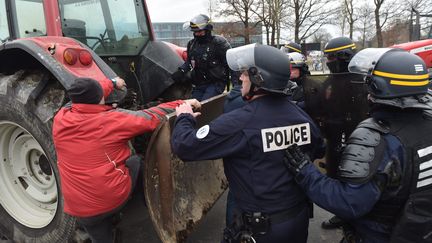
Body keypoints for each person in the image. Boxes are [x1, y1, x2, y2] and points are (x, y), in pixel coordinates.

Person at [171, 44, 324, 243]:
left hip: (261, 230)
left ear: (258, 78)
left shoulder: (239, 122)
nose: (241, 78)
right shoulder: (302, 117)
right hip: (296, 221)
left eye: (244, 73)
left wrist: (184, 117)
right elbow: (319, 149)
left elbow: (185, 146)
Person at [284, 48, 432, 243]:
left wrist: (305, 173)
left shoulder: (376, 136)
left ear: (376, 87)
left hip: (379, 234)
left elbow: (348, 202)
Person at [52, 77, 200, 243]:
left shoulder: (60, 117)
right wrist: (183, 104)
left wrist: (113, 83)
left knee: (100, 235)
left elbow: (87, 96)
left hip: (78, 208)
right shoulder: (111, 120)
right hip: (110, 199)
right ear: (99, 97)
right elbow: (149, 117)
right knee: (136, 161)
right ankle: (154, 205)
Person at [321, 36, 357, 229]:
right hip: (334, 132)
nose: (328, 63)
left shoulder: (360, 79)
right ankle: (342, 213)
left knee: (354, 175)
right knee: (335, 172)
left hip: (356, 132)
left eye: (332, 58)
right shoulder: (330, 81)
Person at [171, 14, 232, 101]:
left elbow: (231, 63)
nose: (197, 34)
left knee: (205, 106)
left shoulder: (218, 43)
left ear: (208, 29)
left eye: (200, 31)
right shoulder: (192, 44)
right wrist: (181, 71)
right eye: (195, 32)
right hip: (199, 84)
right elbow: (189, 62)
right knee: (192, 105)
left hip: (215, 83)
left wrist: (237, 86)